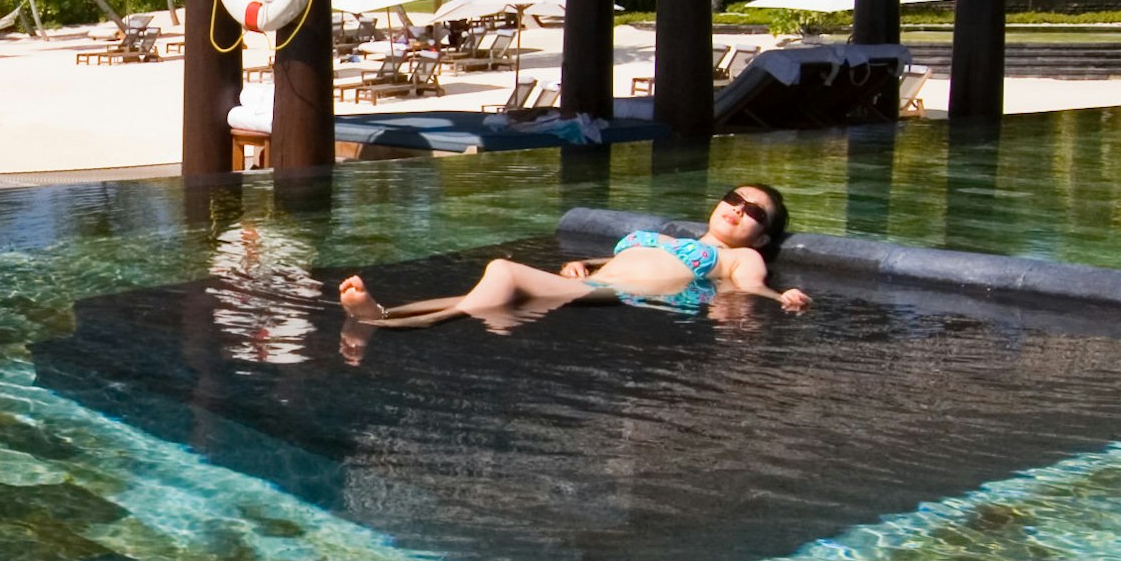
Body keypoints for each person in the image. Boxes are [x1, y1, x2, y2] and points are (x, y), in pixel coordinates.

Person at [337, 185, 808, 339]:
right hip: (598, 281)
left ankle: (402, 325)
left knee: (502, 271)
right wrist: (584, 262)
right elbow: (625, 255)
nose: (737, 210)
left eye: (752, 213)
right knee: (480, 293)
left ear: (763, 234)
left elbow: (750, 283)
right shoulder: (669, 238)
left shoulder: (738, 254)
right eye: (733, 198)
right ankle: (383, 313)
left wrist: (778, 295)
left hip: (623, 296)